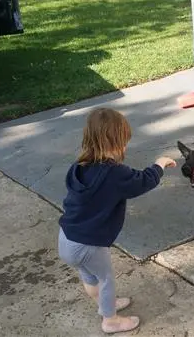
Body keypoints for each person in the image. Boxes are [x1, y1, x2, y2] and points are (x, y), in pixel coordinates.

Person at [57, 107, 177, 334]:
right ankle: (110, 320)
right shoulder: (113, 173)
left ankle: (105, 305)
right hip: (88, 244)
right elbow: (142, 182)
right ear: (118, 142)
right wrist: (159, 165)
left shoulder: (79, 167)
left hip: (67, 238)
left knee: (90, 277)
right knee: (106, 280)